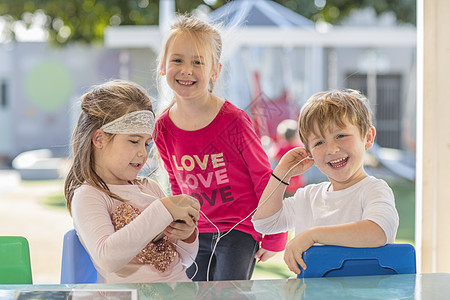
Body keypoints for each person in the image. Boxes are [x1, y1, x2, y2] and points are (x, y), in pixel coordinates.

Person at [153, 15, 287, 281]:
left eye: (198, 62)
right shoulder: (163, 128)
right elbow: (177, 184)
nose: (186, 70)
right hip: (196, 232)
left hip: (239, 229)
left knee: (228, 293)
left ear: (215, 71)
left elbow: (264, 178)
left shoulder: (234, 121)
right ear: (162, 66)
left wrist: (275, 233)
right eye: (177, 60)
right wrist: (182, 224)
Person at [64, 79, 201, 283]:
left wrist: (188, 234)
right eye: (133, 141)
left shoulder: (150, 188)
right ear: (99, 139)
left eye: (147, 143)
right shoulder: (89, 195)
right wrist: (163, 210)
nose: (143, 153)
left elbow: (185, 261)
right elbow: (108, 258)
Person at [252, 89, 399, 275]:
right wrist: (281, 173)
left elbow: (377, 233)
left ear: (368, 137)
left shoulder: (374, 189)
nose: (332, 149)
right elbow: (265, 223)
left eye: (340, 136)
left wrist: (313, 236)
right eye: (319, 143)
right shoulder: (307, 196)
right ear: (309, 152)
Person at [270, 119, 306, 196]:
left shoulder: (281, 147)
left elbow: (272, 156)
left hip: (284, 183)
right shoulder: (298, 147)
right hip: (298, 183)